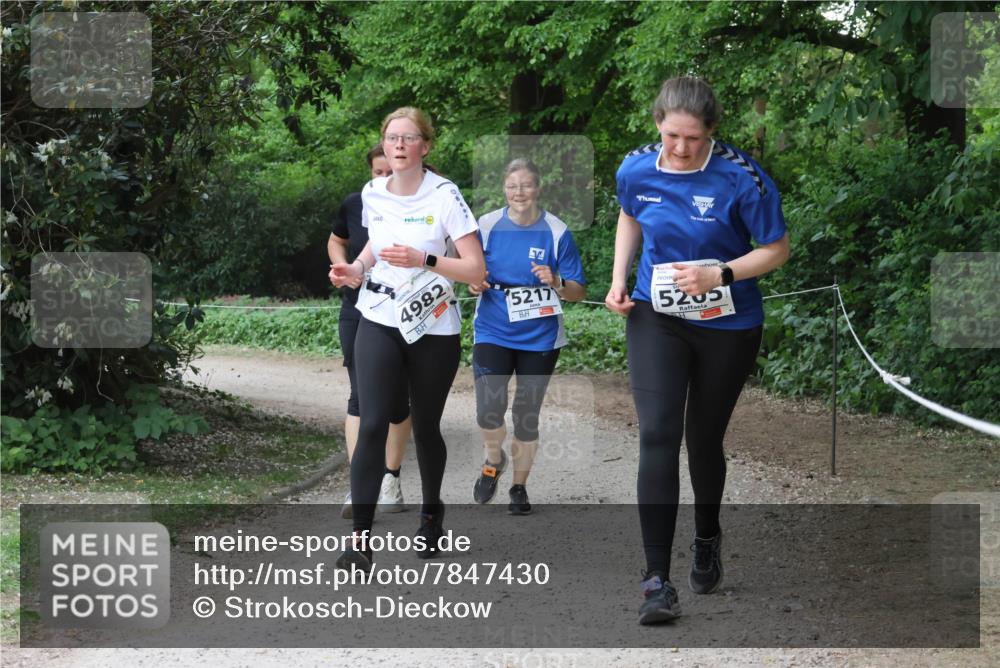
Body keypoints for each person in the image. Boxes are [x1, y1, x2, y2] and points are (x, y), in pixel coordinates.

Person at [605, 76, 790, 624]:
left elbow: (776, 249)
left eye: (691, 138)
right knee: (658, 434)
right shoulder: (636, 168)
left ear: (712, 131)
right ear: (657, 123)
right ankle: (656, 580)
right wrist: (619, 279)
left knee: (702, 439)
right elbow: (630, 215)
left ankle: (706, 535)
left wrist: (721, 273)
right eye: (670, 136)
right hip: (656, 315)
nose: (680, 148)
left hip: (727, 325)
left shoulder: (742, 177)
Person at [329, 107, 486, 571]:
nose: (398, 145)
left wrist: (426, 259)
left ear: (425, 146)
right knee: (373, 420)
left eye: (408, 137)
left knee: (426, 427)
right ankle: (360, 542)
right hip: (377, 315)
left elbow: (475, 269)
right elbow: (375, 246)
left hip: (433, 322)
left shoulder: (445, 196)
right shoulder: (373, 192)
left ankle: (431, 513)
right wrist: (354, 269)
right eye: (392, 137)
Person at [467, 158, 586, 514]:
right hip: (493, 328)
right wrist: (474, 281)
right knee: (489, 409)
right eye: (512, 186)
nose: (519, 192)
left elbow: (578, 290)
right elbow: (467, 269)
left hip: (540, 336)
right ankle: (493, 460)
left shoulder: (557, 231)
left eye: (526, 185)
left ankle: (519, 487)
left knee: (526, 413)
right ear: (504, 189)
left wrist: (557, 281)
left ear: (539, 188)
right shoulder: (486, 226)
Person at [328, 144, 413, 518]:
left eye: (388, 172)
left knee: (396, 401)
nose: (383, 179)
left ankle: (390, 478)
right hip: (357, 309)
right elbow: (336, 240)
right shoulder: (355, 202)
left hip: (405, 313)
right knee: (359, 395)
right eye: (377, 173)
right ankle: (359, 484)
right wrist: (344, 267)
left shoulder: (418, 206)